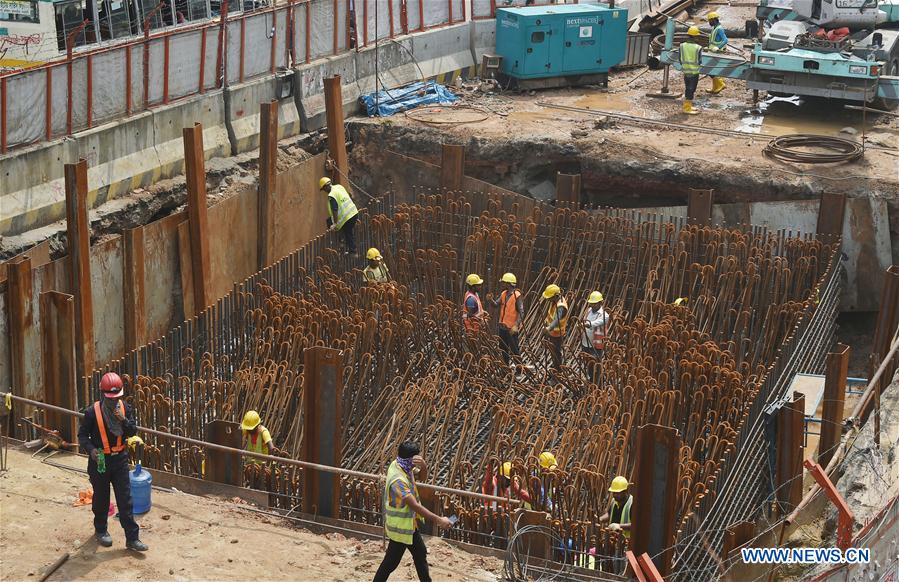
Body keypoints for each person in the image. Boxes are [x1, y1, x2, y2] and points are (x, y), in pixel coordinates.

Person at [77, 372, 148, 552]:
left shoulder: (124, 408)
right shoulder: (92, 412)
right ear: (103, 394)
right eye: (110, 397)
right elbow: (83, 435)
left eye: (117, 397)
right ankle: (101, 531)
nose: (113, 400)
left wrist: (122, 419)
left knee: (125, 500)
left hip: (120, 461)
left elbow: (132, 432)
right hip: (100, 461)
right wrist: (92, 450)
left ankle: (132, 538)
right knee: (101, 498)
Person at [374, 441, 453, 582]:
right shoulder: (398, 480)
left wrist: (423, 466)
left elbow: (422, 477)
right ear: (410, 460)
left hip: (409, 525)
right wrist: (439, 520)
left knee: (420, 554)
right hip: (400, 529)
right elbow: (415, 506)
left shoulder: (400, 465)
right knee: (390, 564)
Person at [489, 272, 524, 363]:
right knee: (503, 348)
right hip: (502, 327)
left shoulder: (517, 296)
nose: (502, 284)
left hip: (511, 329)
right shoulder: (504, 293)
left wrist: (516, 325)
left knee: (514, 350)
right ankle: (506, 366)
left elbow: (521, 312)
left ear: (508, 283)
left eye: (504, 282)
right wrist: (491, 300)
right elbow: (496, 305)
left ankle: (519, 369)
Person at [320, 176, 359, 255]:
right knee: (347, 231)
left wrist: (335, 223)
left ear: (326, 186)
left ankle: (351, 250)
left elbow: (335, 209)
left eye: (324, 189)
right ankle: (343, 241)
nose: (324, 191)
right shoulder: (339, 187)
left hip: (346, 217)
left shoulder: (331, 195)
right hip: (354, 212)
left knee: (347, 232)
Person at [542, 284, 569, 369]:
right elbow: (551, 315)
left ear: (556, 296)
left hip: (557, 333)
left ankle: (558, 370)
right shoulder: (555, 301)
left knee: (556, 352)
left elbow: (556, 319)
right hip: (552, 332)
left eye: (549, 297)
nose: (548, 299)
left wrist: (549, 328)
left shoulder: (561, 306)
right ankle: (555, 367)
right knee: (553, 351)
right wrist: (546, 323)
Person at [680, 26, 703, 115]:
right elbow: (700, 61)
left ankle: (688, 106)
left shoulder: (682, 46)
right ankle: (686, 108)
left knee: (688, 88)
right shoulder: (698, 48)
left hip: (686, 71)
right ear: (696, 37)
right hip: (694, 72)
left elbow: (680, 59)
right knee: (691, 89)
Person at [581, 291, 609, 358]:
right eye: (591, 303)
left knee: (595, 364)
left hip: (596, 345)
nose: (592, 305)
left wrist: (587, 324)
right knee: (586, 362)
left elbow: (596, 323)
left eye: (595, 304)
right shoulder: (589, 310)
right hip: (585, 341)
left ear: (600, 303)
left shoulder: (605, 315)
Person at [706, 12, 728, 95]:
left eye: (709, 21)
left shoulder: (719, 29)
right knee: (712, 70)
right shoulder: (715, 28)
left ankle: (721, 84)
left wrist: (718, 47)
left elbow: (725, 40)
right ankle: (715, 87)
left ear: (713, 20)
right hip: (712, 51)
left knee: (709, 69)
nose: (709, 22)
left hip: (717, 52)